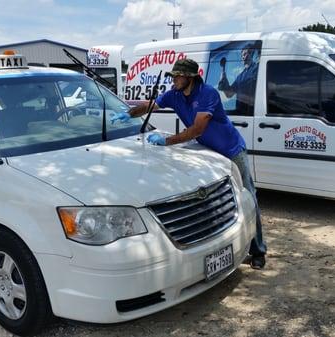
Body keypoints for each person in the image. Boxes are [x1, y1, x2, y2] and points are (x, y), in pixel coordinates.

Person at [111, 58, 267, 269]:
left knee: (247, 196)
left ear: (190, 78)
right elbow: (151, 105)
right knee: (213, 200)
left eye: (178, 76)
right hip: (209, 152)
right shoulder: (174, 95)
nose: (174, 79)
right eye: (173, 76)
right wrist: (128, 114)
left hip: (231, 150)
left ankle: (258, 251)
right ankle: (220, 248)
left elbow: (197, 129)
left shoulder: (207, 93)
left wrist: (167, 141)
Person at [217, 44, 259, 116]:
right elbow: (229, 94)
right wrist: (223, 70)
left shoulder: (257, 69)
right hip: (240, 114)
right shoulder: (240, 76)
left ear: (251, 54)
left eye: (245, 54)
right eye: (242, 55)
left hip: (252, 112)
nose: (243, 57)